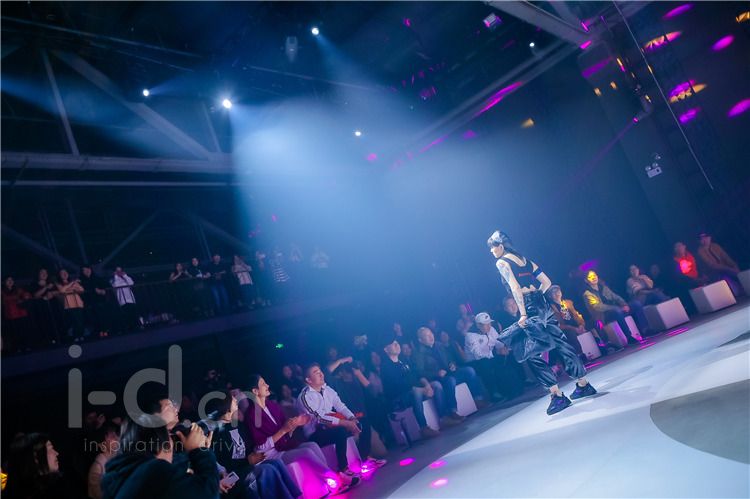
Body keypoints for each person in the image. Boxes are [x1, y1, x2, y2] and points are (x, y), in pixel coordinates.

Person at [487, 230, 597, 415]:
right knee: (561, 342)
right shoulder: (524, 260)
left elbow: (515, 287)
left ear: (501, 246)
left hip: (529, 308)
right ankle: (583, 384)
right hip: (542, 303)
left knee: (531, 352)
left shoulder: (502, 262)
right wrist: (538, 295)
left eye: (492, 247)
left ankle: (557, 395)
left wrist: (523, 313)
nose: (491, 251)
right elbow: (546, 282)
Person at [244, 375, 357, 494]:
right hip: (271, 455)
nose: (267, 385)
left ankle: (331, 480)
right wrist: (284, 430)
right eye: (263, 384)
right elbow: (261, 447)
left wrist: (295, 424)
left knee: (312, 445)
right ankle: (337, 479)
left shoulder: (272, 406)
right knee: (306, 452)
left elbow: (285, 431)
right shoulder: (252, 415)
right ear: (255, 391)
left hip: (283, 446)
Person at [207, 392, 301, 499]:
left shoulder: (236, 425)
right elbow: (222, 465)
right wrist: (247, 461)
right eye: (232, 399)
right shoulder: (215, 434)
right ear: (226, 408)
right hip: (230, 477)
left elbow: (248, 447)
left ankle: (297, 496)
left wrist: (252, 456)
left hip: (244, 468)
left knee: (276, 462)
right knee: (265, 470)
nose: (236, 400)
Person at [100, 414, 219, 499]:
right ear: (161, 443)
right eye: (169, 436)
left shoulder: (119, 475)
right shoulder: (153, 472)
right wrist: (200, 451)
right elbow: (209, 494)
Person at [296, 363, 363, 484]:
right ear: (308, 380)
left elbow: (340, 406)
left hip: (330, 427)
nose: (321, 374)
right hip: (315, 433)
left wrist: (351, 418)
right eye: (316, 372)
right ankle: (343, 469)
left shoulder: (327, 389)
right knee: (340, 431)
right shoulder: (304, 396)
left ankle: (364, 459)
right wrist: (344, 423)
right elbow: (318, 418)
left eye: (320, 371)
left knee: (360, 421)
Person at [414, 326, 488, 415]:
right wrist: (436, 373)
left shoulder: (439, 345)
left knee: (469, 370)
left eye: (431, 333)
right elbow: (420, 372)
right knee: (450, 380)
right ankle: (452, 411)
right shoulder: (418, 353)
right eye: (427, 335)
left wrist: (452, 365)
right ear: (421, 340)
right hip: (436, 379)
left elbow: (450, 359)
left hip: (449, 372)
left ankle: (478, 399)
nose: (431, 336)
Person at [380, 338, 441, 438]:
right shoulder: (385, 367)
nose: (397, 345)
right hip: (399, 399)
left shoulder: (404, 361)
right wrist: (422, 390)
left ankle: (444, 417)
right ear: (386, 349)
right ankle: (423, 427)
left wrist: (427, 385)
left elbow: (418, 375)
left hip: (415, 391)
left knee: (436, 385)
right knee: (416, 392)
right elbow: (399, 386)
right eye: (393, 344)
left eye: (397, 343)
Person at [464, 312, 524, 401]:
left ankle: (519, 383)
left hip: (490, 357)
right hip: (475, 362)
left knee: (509, 355)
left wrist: (504, 348)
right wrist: (495, 353)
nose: (489, 326)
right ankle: (494, 393)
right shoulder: (470, 336)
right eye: (486, 324)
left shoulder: (491, 329)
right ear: (478, 325)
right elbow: (478, 355)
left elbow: (498, 342)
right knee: (485, 363)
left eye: (489, 323)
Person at [583, 270, 649, 341]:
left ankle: (645, 330)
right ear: (586, 280)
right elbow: (597, 306)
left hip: (616, 310)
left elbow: (616, 297)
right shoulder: (587, 294)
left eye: (594, 275)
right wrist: (616, 308)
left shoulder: (603, 288)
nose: (593, 278)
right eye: (590, 277)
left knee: (636, 304)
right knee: (617, 311)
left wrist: (624, 304)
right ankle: (629, 337)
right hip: (603, 316)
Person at [87, 422, 120, 499]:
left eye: (117, 434)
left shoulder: (120, 460)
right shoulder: (97, 467)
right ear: (102, 445)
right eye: (112, 436)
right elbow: (100, 495)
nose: (116, 438)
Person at [2, 276, 33, 353]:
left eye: (11, 280)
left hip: (21, 313)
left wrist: (25, 297)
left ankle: (26, 346)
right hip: (10, 315)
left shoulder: (18, 289)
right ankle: (17, 348)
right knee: (14, 333)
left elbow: (27, 295)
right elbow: (5, 299)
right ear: (4, 282)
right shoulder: (2, 291)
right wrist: (17, 298)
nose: (10, 281)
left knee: (23, 331)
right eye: (8, 280)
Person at [56, 269, 87, 342]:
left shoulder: (73, 282)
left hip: (78, 303)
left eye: (65, 272)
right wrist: (72, 284)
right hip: (69, 305)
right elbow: (62, 290)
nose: (64, 274)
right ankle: (76, 336)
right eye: (62, 273)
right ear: (59, 275)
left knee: (81, 320)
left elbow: (82, 290)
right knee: (74, 321)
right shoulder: (59, 283)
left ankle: (81, 335)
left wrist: (71, 287)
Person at [110, 267, 139, 332]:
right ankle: (130, 329)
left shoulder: (125, 278)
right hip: (122, 300)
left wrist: (125, 275)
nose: (119, 272)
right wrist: (116, 276)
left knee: (134, 314)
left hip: (130, 299)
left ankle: (137, 327)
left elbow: (131, 283)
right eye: (117, 271)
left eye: (120, 271)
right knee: (126, 315)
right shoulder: (113, 279)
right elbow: (116, 285)